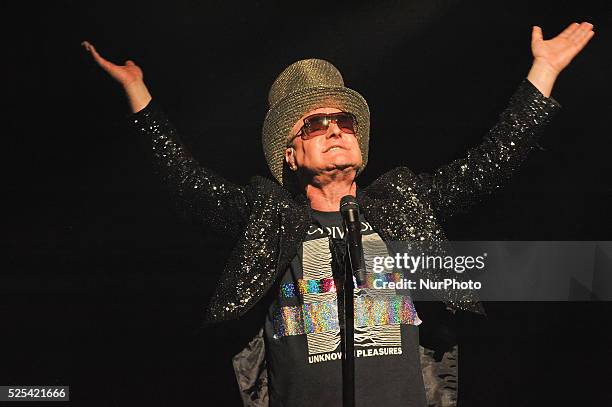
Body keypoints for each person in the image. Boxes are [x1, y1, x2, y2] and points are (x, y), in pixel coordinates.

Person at [82, 21, 594, 407]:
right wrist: (138, 94)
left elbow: (488, 167)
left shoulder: (401, 203)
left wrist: (543, 70)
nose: (334, 130)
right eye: (314, 125)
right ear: (289, 153)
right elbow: (188, 184)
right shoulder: (268, 217)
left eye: (343, 121)